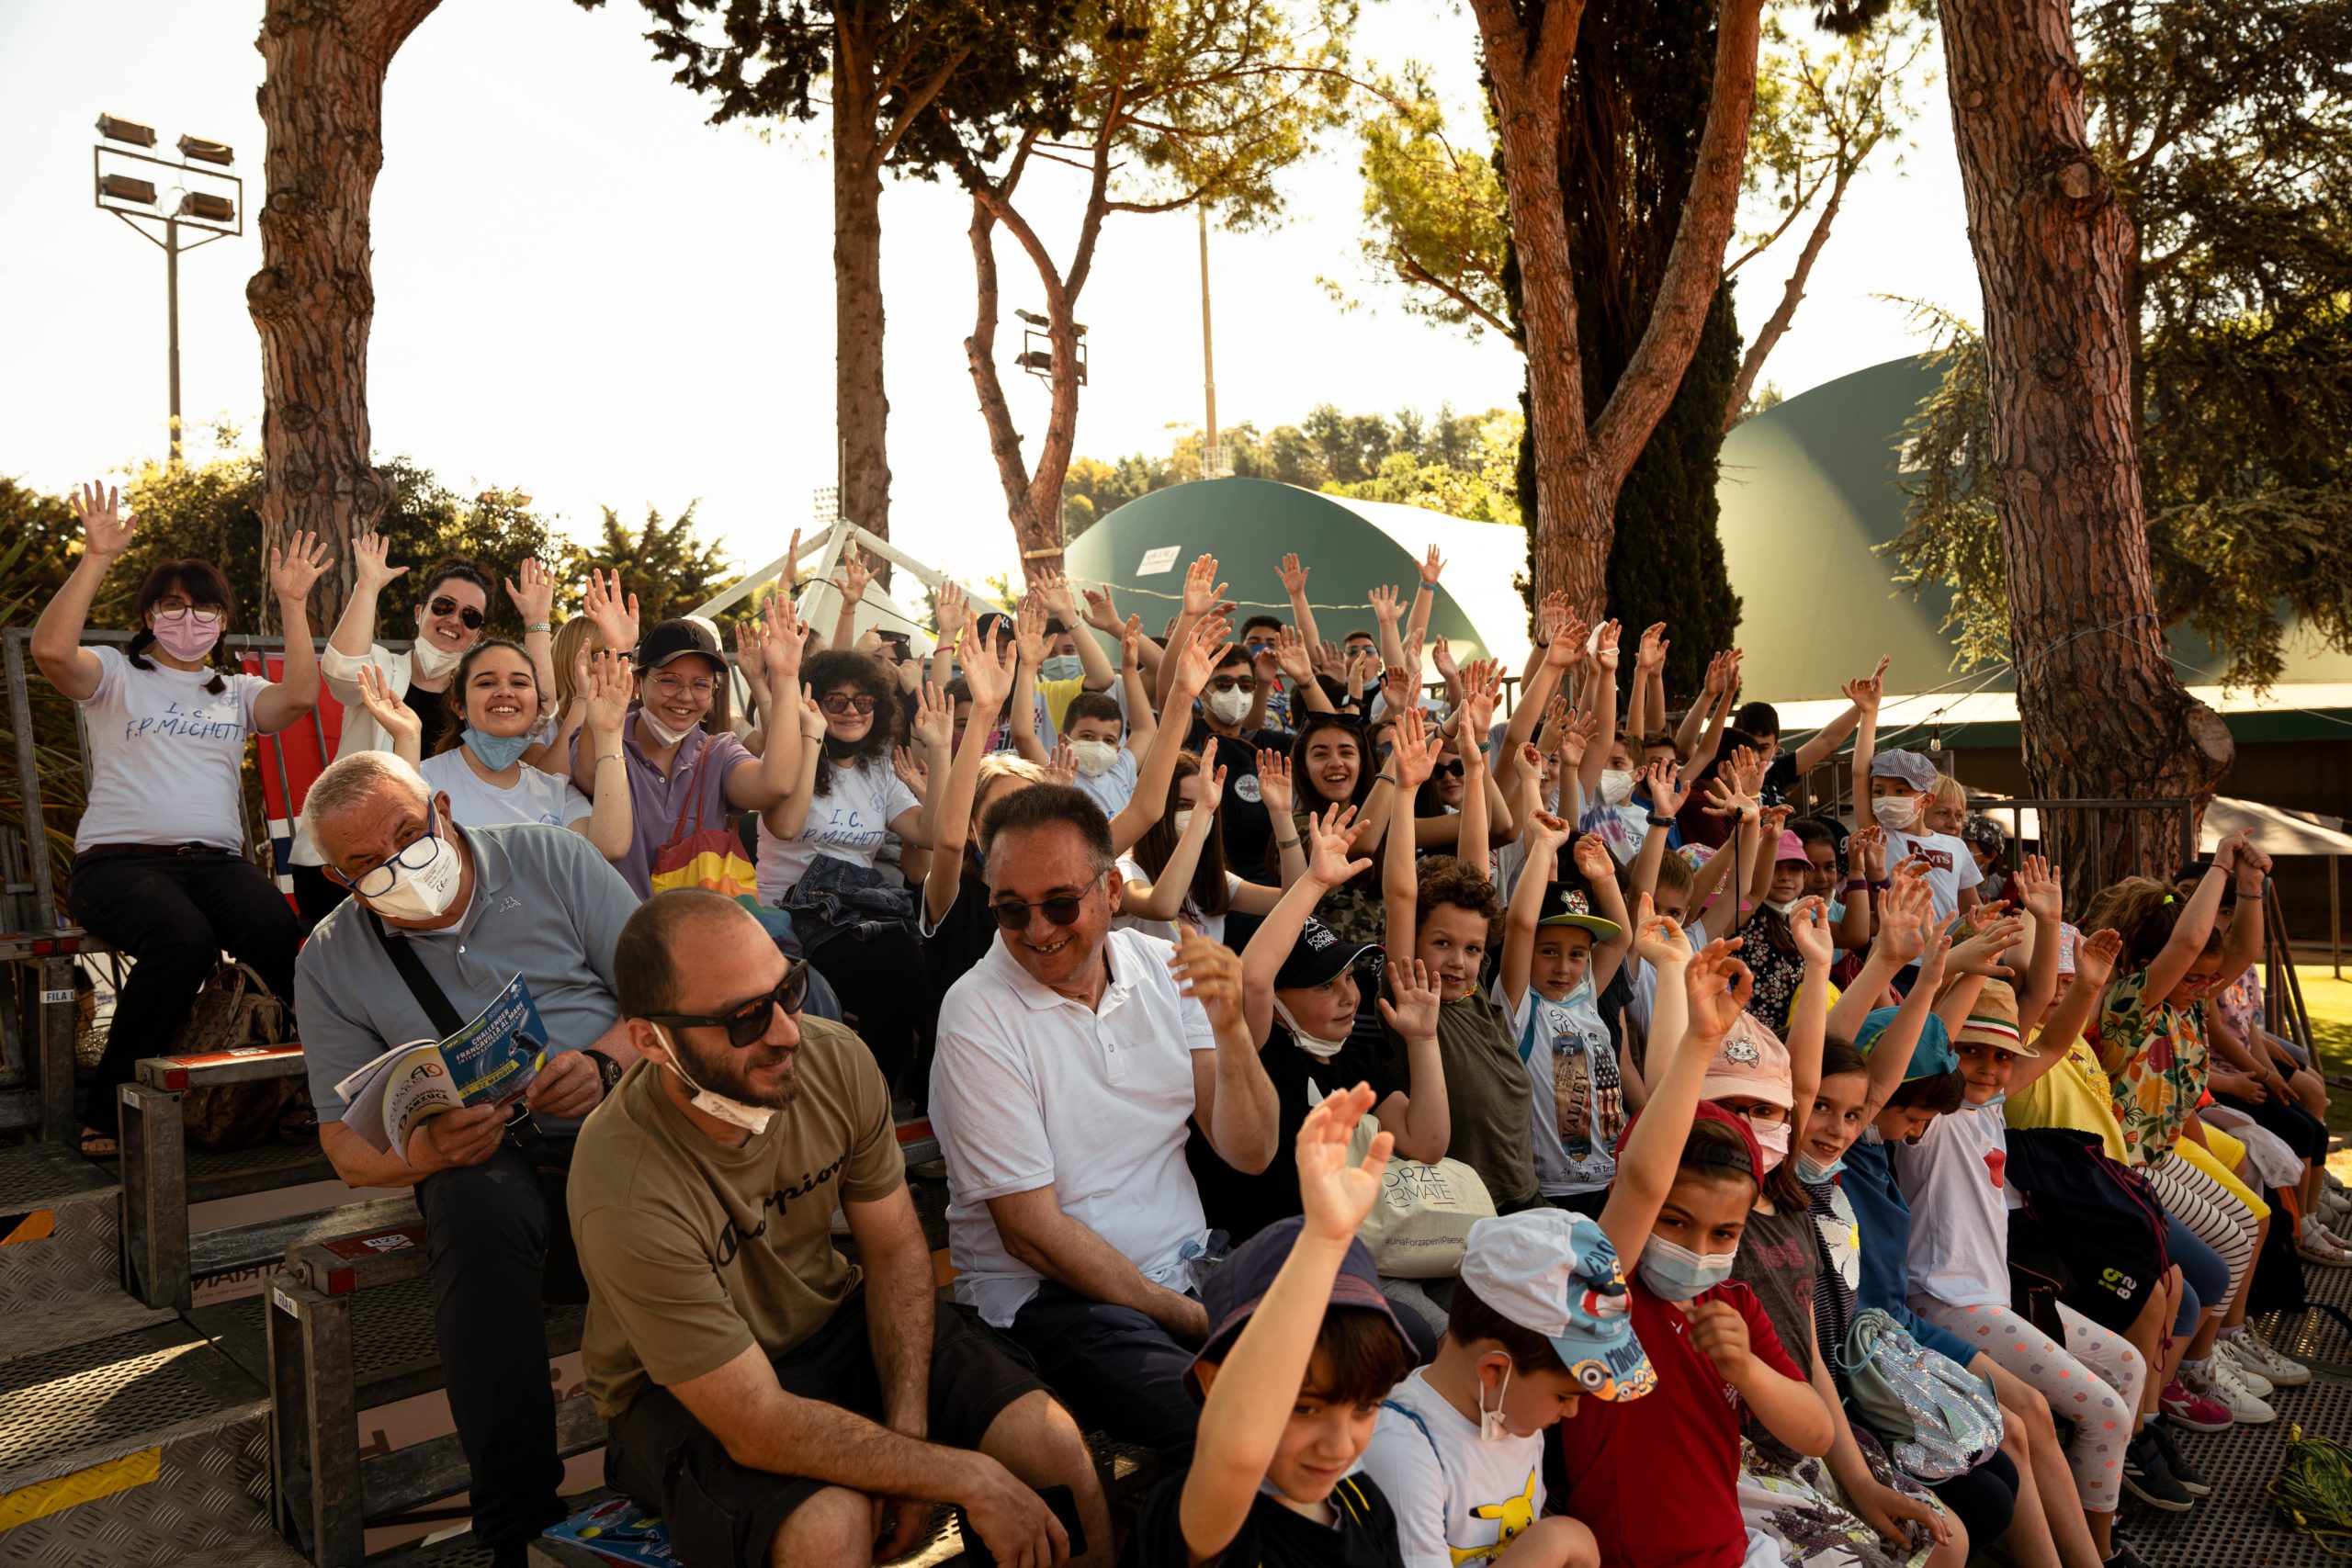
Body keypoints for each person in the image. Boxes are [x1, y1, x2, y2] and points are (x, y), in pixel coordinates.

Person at [576, 889, 1109, 1568]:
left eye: (788, 989)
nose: (786, 1031)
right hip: (678, 1394)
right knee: (830, 1528)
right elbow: (755, 1422)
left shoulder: (831, 1059)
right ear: (652, 1040)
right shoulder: (622, 1184)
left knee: (1055, 1452)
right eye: (743, 1018)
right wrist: (954, 1473)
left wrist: (911, 1428)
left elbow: (891, 1250)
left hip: (833, 1324)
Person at [294, 750, 641, 1565]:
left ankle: (664, 1472)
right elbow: (343, 1144)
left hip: (615, 1120)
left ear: (444, 810)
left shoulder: (550, 855)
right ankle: (516, 1521)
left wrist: (604, 1064)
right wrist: (423, 1153)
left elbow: (665, 991)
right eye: (365, 866)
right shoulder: (329, 957)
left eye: (409, 837)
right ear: (344, 880)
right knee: (464, 1202)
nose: (397, 869)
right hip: (491, 1163)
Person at [927, 784, 1281, 1456]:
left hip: (1187, 1270)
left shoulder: (1158, 965)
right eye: (1010, 911)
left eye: (1061, 903)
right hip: (1051, 1305)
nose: (1038, 930)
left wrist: (1232, 1032)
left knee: (1372, 1349)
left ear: (1112, 890)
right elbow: (1032, 1235)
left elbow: (1252, 1152)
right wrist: (1190, 1313)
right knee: (1230, 1433)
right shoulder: (977, 1012)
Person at [32, 483, 331, 1156]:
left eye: (204, 607)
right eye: (173, 606)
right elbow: (52, 653)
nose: (188, 618)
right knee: (184, 941)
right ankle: (108, 1110)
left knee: (282, 937)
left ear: (223, 619)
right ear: (148, 615)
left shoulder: (234, 690)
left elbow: (301, 698)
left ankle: (301, 1093)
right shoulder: (116, 674)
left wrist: (292, 601)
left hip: (214, 864)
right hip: (119, 865)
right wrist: (96, 558)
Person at [1553, 921, 1838, 1568]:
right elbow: (1646, 1177)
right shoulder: (1602, 1294)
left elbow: (1815, 1429)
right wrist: (1700, 1040)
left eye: (1724, 1233)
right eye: (1674, 1221)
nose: (1698, 1246)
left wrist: (1746, 1370)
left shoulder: (1733, 1303)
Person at [1128, 1088, 1420, 1568]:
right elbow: (1240, 1448)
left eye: (1365, 1406)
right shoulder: (1204, 1515)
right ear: (1215, 1379)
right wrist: (1323, 1240)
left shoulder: (1364, 1503)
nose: (1339, 1444)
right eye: (1304, 1408)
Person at [1204, 806, 1451, 1251]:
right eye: (1324, 986)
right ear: (1277, 1004)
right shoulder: (1260, 1049)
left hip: (1352, 1248)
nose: (1350, 997)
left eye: (1350, 978)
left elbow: (1427, 1142)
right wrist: (1314, 882)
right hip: (1266, 1254)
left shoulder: (1360, 1056)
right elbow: (1255, 978)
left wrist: (1424, 1040)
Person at [1357, 1208, 1643, 1568]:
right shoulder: (1401, 1451)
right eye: (1563, 1395)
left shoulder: (1511, 1413)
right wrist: (1556, 1540)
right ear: (1494, 1370)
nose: (1571, 1412)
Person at [297, 535, 556, 925]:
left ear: (478, 634)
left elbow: (539, 710)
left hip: (434, 864)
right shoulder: (383, 669)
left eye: (470, 616)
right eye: (444, 606)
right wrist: (368, 584)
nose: (454, 620)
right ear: (420, 612)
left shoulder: (475, 700)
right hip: (354, 859)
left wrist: (537, 623)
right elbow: (340, 671)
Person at [1382, 706, 1539, 1214]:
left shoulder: (1475, 992)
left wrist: (1475, 768)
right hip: (1466, 1219)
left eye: (1472, 949)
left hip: (1525, 1198)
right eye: (1442, 943)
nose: (1459, 962)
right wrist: (1405, 793)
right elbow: (1403, 893)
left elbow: (1477, 872)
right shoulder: (1412, 993)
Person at [759, 646, 930, 1090]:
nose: (851, 711)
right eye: (836, 701)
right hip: (790, 910)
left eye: (863, 701)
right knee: (897, 961)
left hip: (855, 908)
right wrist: (809, 736)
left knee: (910, 974)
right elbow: (786, 825)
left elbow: (928, 833)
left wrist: (941, 757)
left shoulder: (880, 766)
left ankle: (875, 1099)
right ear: (812, 702)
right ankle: (867, 1099)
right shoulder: (786, 758)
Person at [571, 609, 808, 899]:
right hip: (616, 935)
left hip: (697, 936)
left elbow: (776, 784)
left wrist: (784, 676)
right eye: (669, 680)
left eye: (700, 685)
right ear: (638, 680)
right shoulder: (606, 738)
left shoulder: (718, 753)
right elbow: (587, 775)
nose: (685, 696)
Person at [350, 638, 636, 863]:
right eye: (486, 682)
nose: (505, 692)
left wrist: (609, 731)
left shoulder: (557, 792)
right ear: (459, 707)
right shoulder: (423, 780)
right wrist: (407, 737)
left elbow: (608, 848)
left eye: (519, 682)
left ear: (537, 706)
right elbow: (401, 850)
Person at [1495, 820, 1633, 1215]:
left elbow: (1621, 937)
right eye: (1549, 951)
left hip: (1610, 1182)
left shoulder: (1584, 999)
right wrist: (1544, 845)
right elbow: (1521, 925)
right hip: (1552, 1193)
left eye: (1576, 955)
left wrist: (1605, 878)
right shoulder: (1519, 1006)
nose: (1564, 968)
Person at [1116, 751, 1297, 944]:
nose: (1196, 814)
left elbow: (1295, 901)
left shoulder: (1212, 879)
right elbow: (1164, 907)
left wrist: (1281, 815)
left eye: (1207, 806)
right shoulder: (1126, 870)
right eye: (1184, 805)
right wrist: (1202, 810)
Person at [1865, 752, 1981, 920]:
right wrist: (1867, 724)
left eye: (1900, 791)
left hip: (1948, 946)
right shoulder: (1881, 837)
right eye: (1878, 791)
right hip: (1896, 944)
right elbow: (1858, 773)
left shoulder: (1957, 847)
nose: (1888, 798)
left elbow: (1971, 907)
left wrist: (1990, 917)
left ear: (1926, 801)